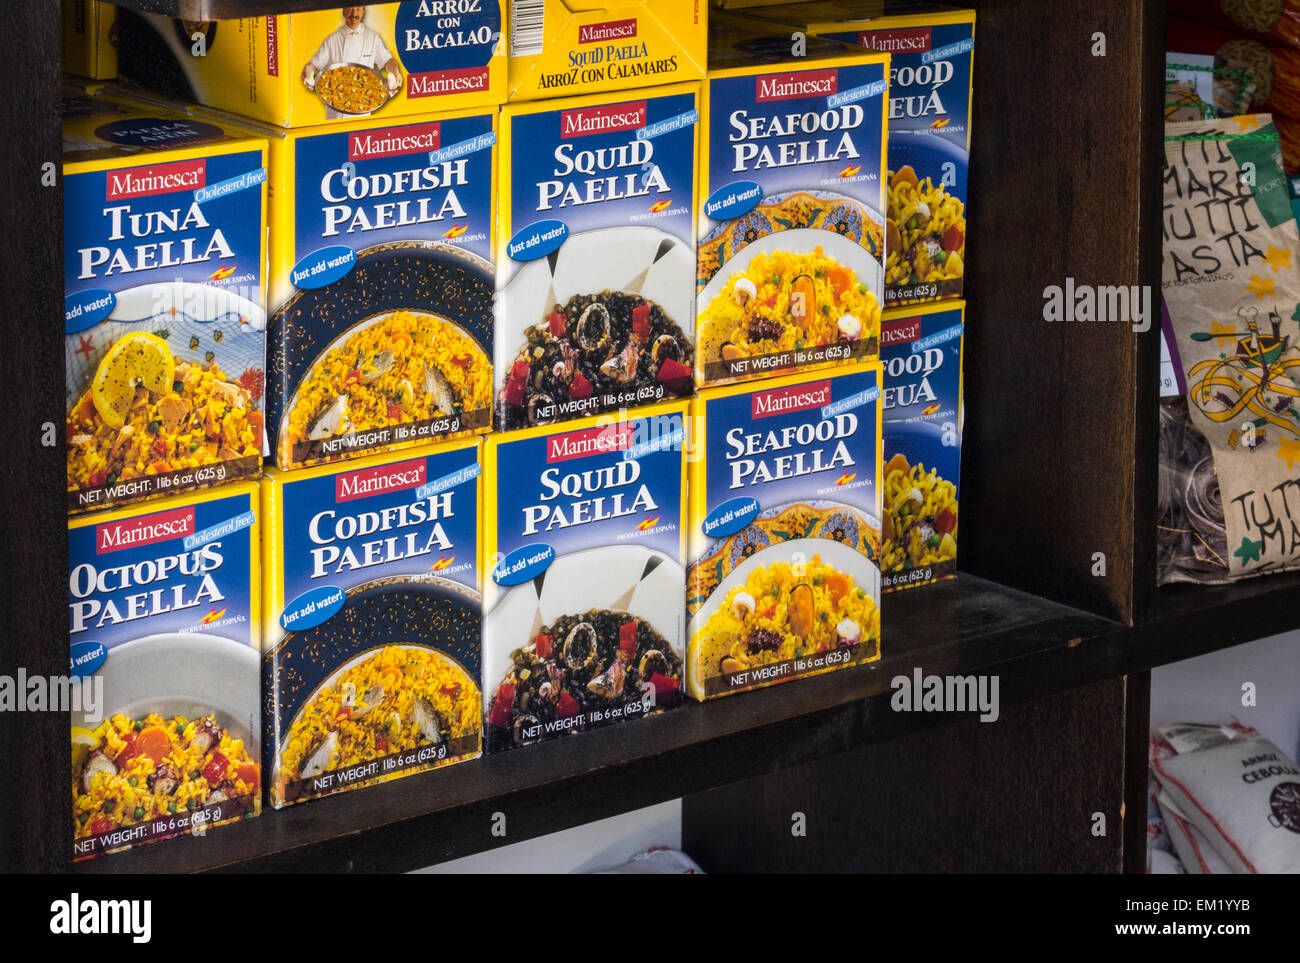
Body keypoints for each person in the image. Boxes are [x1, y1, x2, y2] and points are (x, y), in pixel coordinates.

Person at [302, 7, 401, 118]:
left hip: (363, 108)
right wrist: (309, 75)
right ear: (344, 11)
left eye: (358, 9)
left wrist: (395, 72)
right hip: (336, 113)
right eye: (350, 9)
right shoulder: (332, 39)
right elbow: (312, 65)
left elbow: (388, 61)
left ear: (363, 12)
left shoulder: (372, 37)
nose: (354, 14)